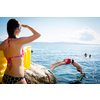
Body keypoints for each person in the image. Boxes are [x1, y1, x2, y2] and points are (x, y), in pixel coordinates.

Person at [0, 19, 41, 84]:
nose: (20, 30)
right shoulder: (19, 41)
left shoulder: (3, 44)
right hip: (17, 78)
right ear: (16, 29)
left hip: (6, 77)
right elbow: (38, 35)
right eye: (20, 28)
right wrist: (27, 26)